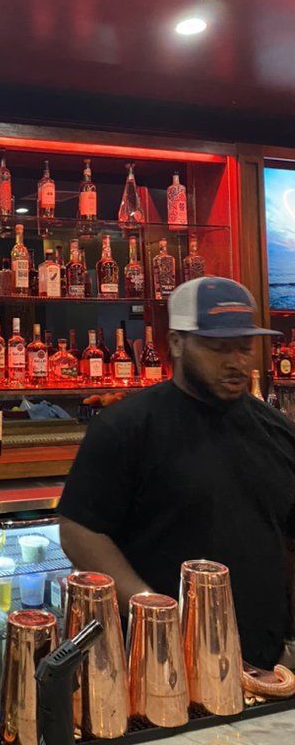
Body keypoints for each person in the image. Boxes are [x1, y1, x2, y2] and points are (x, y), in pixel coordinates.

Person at [59, 276, 295, 670]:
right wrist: (155, 614)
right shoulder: (127, 426)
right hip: (158, 657)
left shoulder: (277, 429)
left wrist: (290, 638)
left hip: (264, 656)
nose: (237, 361)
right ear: (176, 344)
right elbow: (79, 530)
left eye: (245, 347)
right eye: (218, 348)